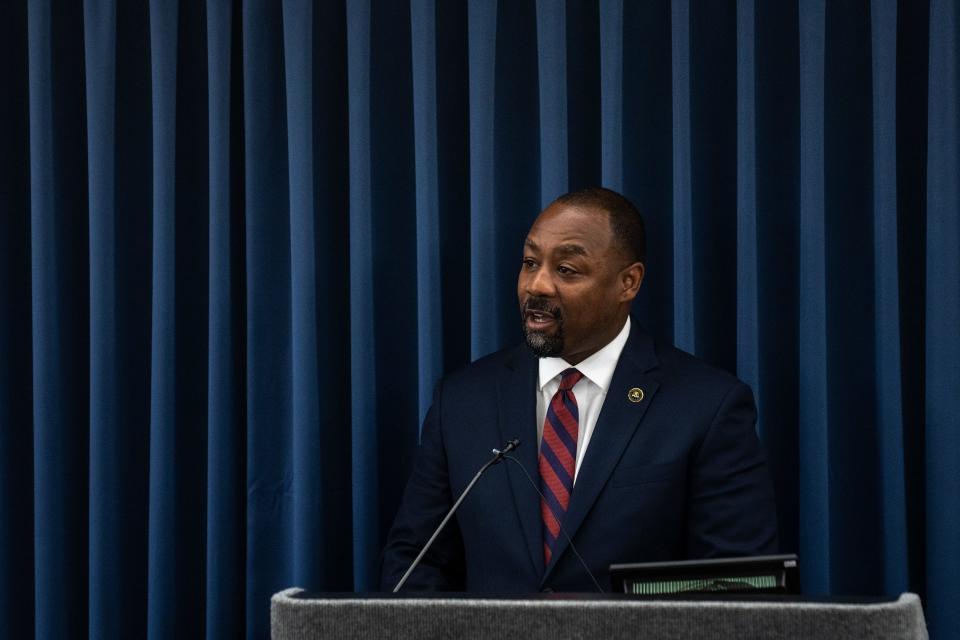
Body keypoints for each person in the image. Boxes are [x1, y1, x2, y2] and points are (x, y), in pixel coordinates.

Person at [381, 187, 778, 593]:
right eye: (530, 262)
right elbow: (417, 562)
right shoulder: (463, 400)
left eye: (566, 270)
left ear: (629, 282)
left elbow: (738, 584)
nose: (537, 286)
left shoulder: (707, 406)